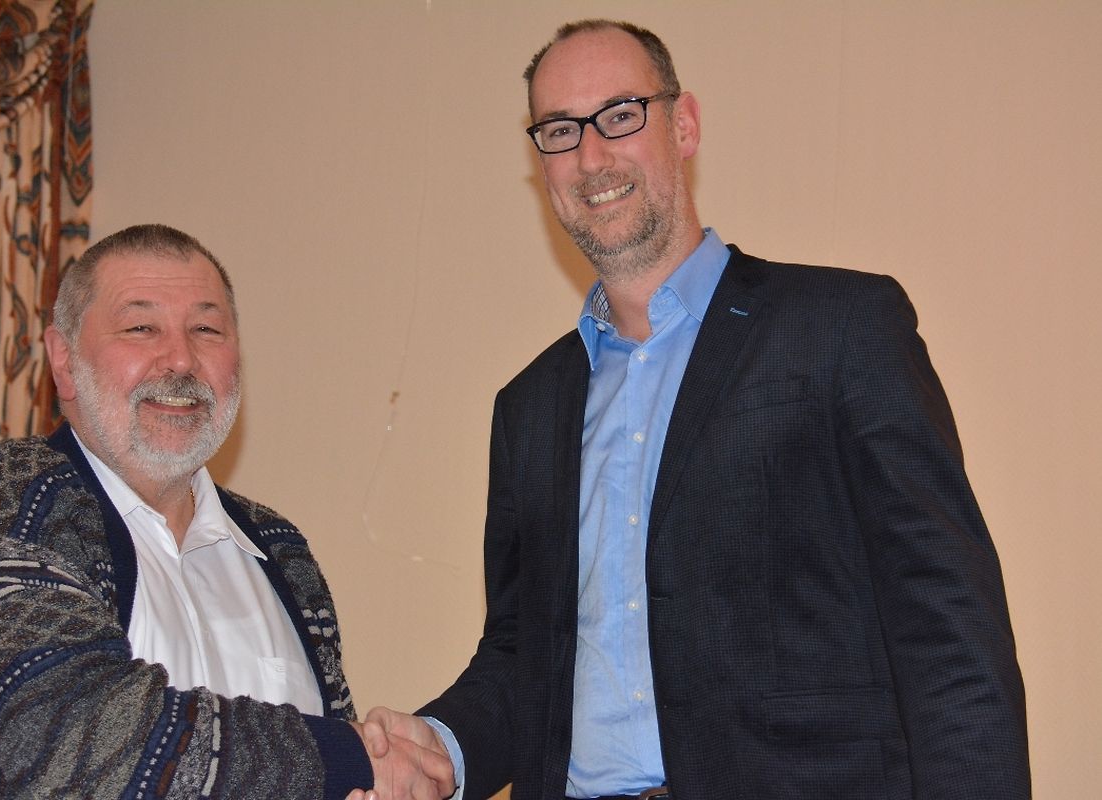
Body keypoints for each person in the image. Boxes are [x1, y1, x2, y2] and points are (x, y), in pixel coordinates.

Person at [365, 18, 1030, 800]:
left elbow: (947, 628)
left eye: (620, 115)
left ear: (682, 125)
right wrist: (441, 748)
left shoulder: (840, 328)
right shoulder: (527, 408)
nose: (590, 156)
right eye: (559, 130)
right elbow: (522, 658)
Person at [0, 224, 453, 799]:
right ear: (63, 360)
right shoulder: (3, 497)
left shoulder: (281, 550)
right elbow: (58, 735)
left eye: (206, 329)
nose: (181, 359)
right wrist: (350, 758)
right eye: (141, 328)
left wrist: (373, 772)